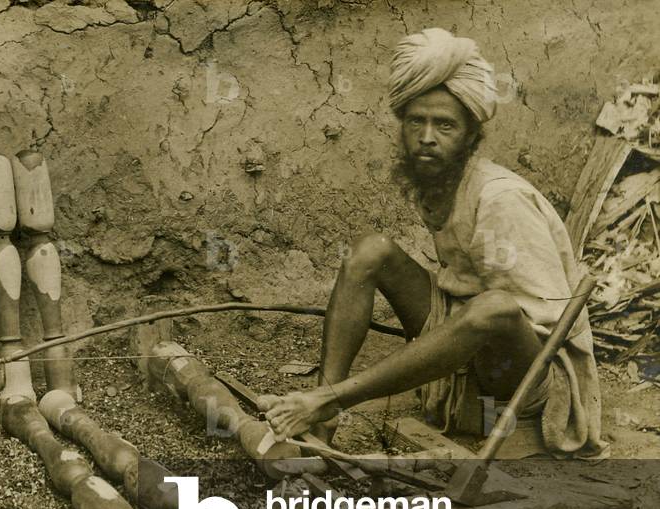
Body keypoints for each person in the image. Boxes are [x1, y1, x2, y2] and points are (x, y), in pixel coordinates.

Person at [260, 28, 607, 459]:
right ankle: (324, 410)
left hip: (527, 374)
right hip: (465, 346)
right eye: (415, 122)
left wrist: (465, 333)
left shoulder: (502, 199)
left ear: (469, 136)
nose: (427, 136)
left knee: (494, 306)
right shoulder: (438, 182)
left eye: (444, 125)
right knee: (370, 250)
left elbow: (544, 325)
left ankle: (331, 400)